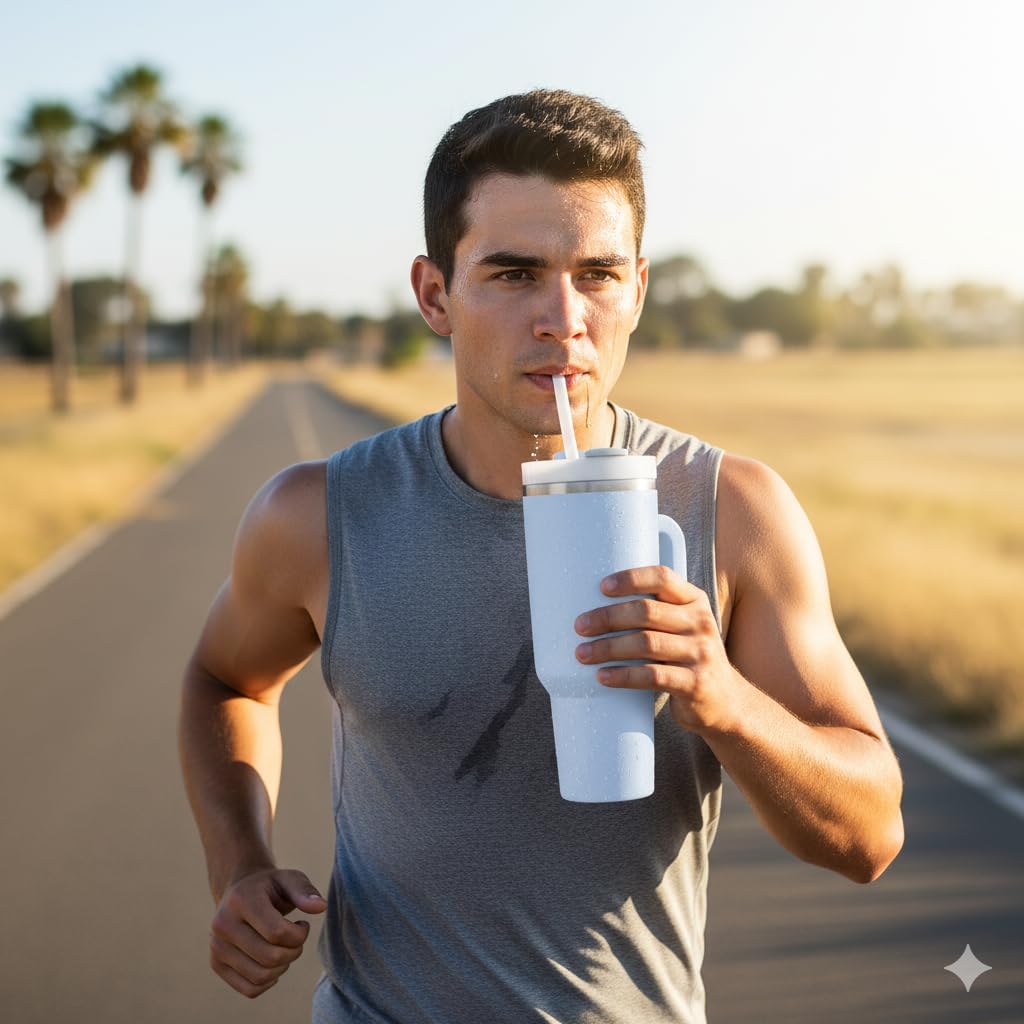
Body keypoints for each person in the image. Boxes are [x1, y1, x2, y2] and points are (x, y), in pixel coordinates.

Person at [179, 89, 904, 1022]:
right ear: (435, 294)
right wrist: (238, 864)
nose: (563, 318)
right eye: (514, 274)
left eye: (597, 273)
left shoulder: (733, 511)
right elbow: (224, 681)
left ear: (638, 288)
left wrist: (722, 698)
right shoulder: (319, 514)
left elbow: (871, 835)